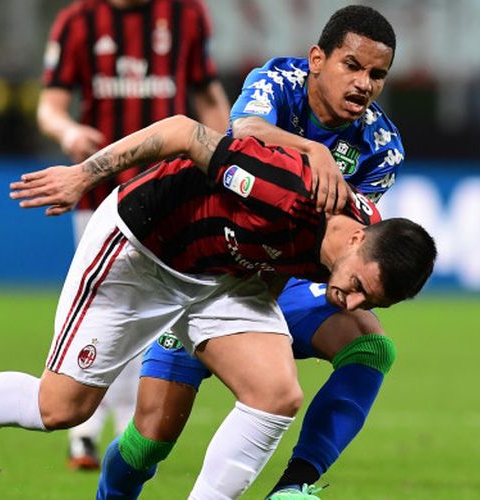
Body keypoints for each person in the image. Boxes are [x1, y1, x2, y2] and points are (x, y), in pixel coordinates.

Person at [0, 115, 436, 500]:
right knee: (60, 408)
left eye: (367, 300)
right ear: (354, 240)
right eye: (357, 285)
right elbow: (180, 131)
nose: (348, 299)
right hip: (141, 251)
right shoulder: (287, 191)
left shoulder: (363, 244)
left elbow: (315, 279)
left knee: (277, 393)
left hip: (223, 280)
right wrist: (83, 176)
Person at [93, 5, 405, 499]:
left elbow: (346, 243)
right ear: (317, 59)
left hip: (285, 284)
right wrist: (314, 151)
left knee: (371, 346)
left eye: (377, 74)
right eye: (353, 65)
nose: (364, 84)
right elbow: (241, 136)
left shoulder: (381, 147)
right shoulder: (279, 81)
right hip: (211, 277)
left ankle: (295, 486)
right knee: (148, 443)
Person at [37, 0, 232, 469]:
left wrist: (230, 155)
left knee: (150, 314)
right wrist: (68, 133)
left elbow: (207, 96)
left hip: (171, 192)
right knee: (106, 309)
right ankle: (93, 429)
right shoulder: (78, 21)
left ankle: (104, 433)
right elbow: (51, 105)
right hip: (101, 196)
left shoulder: (187, 14)